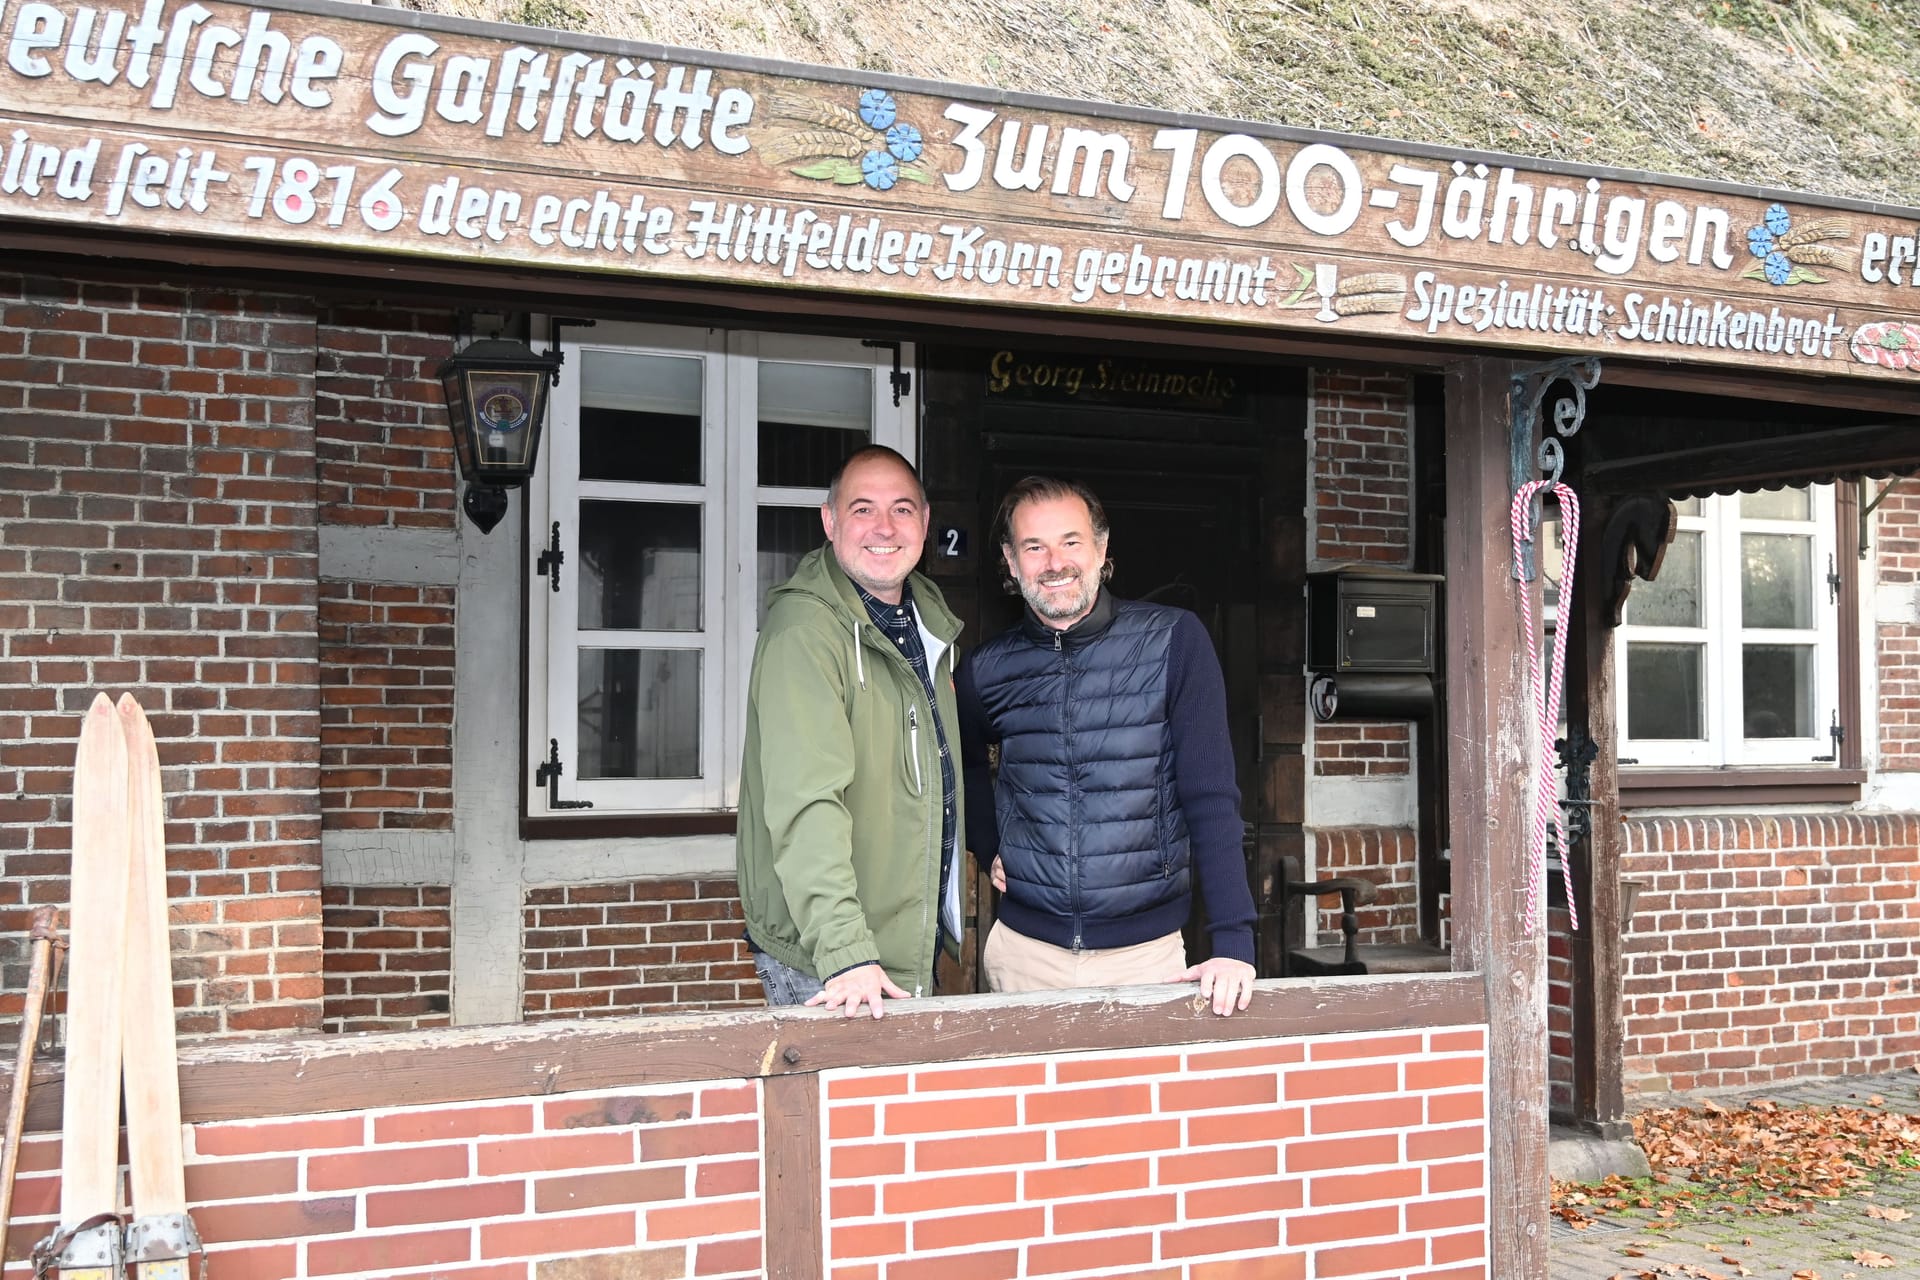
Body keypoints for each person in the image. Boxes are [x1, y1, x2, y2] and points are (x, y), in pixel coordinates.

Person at [956, 475, 1259, 1016]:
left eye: (1071, 541)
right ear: (1010, 559)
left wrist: (1234, 940)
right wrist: (988, 841)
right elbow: (964, 762)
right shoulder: (986, 670)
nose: (1055, 562)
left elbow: (1211, 795)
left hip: (1146, 958)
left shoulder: (1174, 642)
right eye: (1034, 546)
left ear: (1101, 546)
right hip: (1025, 956)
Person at [736, 445, 964, 1019]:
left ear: (926, 521)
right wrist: (844, 950)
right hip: (836, 956)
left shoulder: (927, 621)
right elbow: (807, 802)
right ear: (829, 521)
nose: (884, 528)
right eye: (863, 509)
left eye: (902, 509)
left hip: (901, 936)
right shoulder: (806, 633)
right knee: (846, 1109)